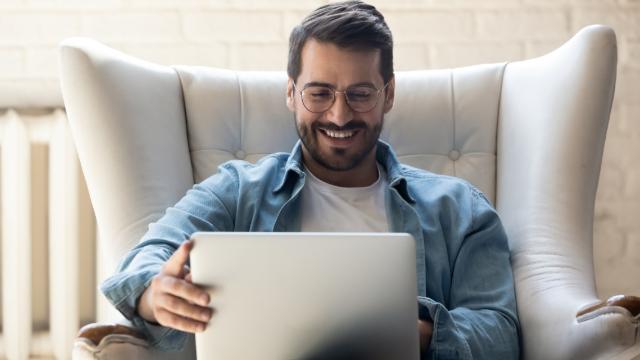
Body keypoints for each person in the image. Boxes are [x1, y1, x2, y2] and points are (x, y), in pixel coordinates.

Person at [101, 1, 520, 358]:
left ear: (388, 94)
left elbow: (500, 332)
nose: (339, 116)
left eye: (360, 93)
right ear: (290, 93)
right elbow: (148, 255)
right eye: (319, 93)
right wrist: (155, 295)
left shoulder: (460, 208)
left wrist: (416, 335)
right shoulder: (237, 191)